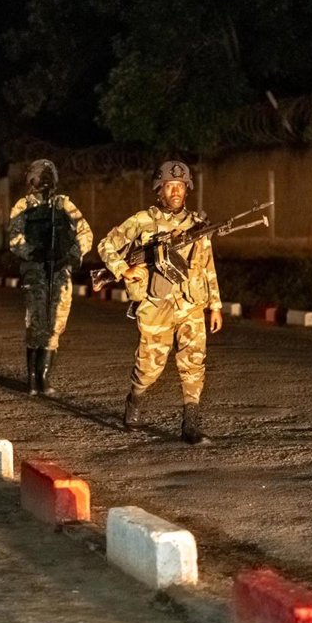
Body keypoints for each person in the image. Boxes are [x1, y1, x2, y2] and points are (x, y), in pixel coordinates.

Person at [97, 160, 223, 444]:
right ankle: (135, 398)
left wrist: (215, 305)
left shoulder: (197, 225)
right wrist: (124, 269)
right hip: (155, 305)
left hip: (191, 304)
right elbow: (106, 245)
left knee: (194, 362)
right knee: (149, 368)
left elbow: (207, 265)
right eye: (169, 186)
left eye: (180, 186)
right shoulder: (143, 221)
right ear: (159, 190)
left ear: (187, 189)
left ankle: (190, 424)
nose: (176, 191)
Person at [7, 159, 93, 395]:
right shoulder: (23, 205)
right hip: (35, 271)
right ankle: (32, 379)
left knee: (56, 323)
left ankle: (44, 378)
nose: (44, 180)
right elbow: (14, 237)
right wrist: (33, 252)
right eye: (40, 175)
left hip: (60, 271)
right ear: (31, 179)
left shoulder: (64, 204)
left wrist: (71, 255)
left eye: (48, 175)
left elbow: (85, 232)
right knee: (36, 321)